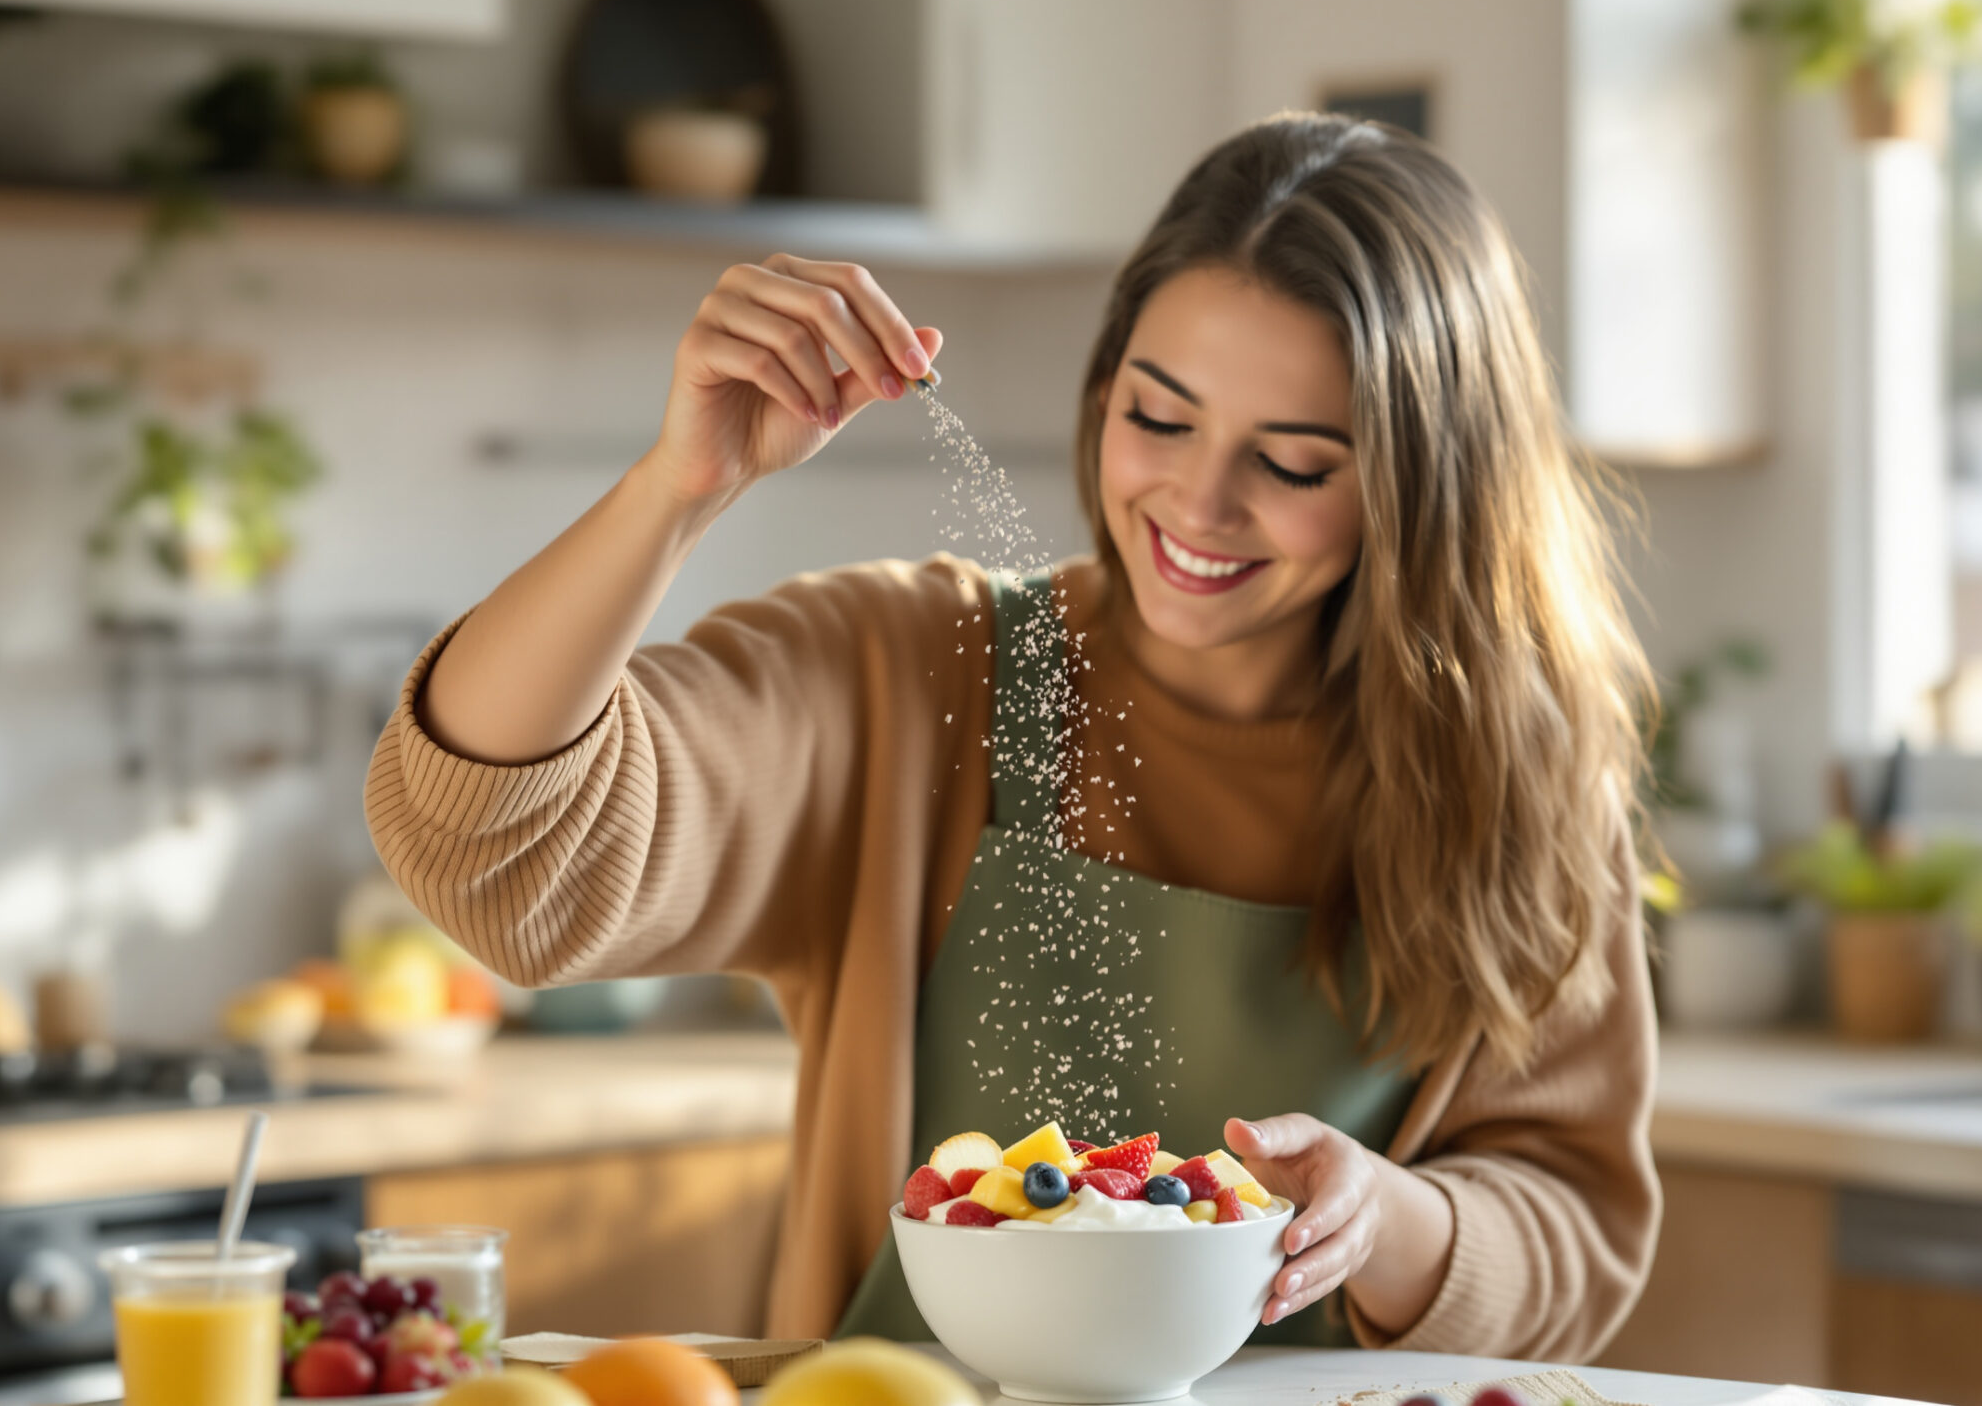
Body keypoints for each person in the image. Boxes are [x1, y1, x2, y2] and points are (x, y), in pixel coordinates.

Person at [366, 113, 1659, 1358]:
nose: (1198, 503)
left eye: (1297, 461)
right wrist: (674, 491)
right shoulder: (915, 672)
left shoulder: (1512, 771)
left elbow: (1574, 1225)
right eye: (1157, 417)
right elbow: (495, 860)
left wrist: (1390, 1219)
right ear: (1104, 391)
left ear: (1421, 482)